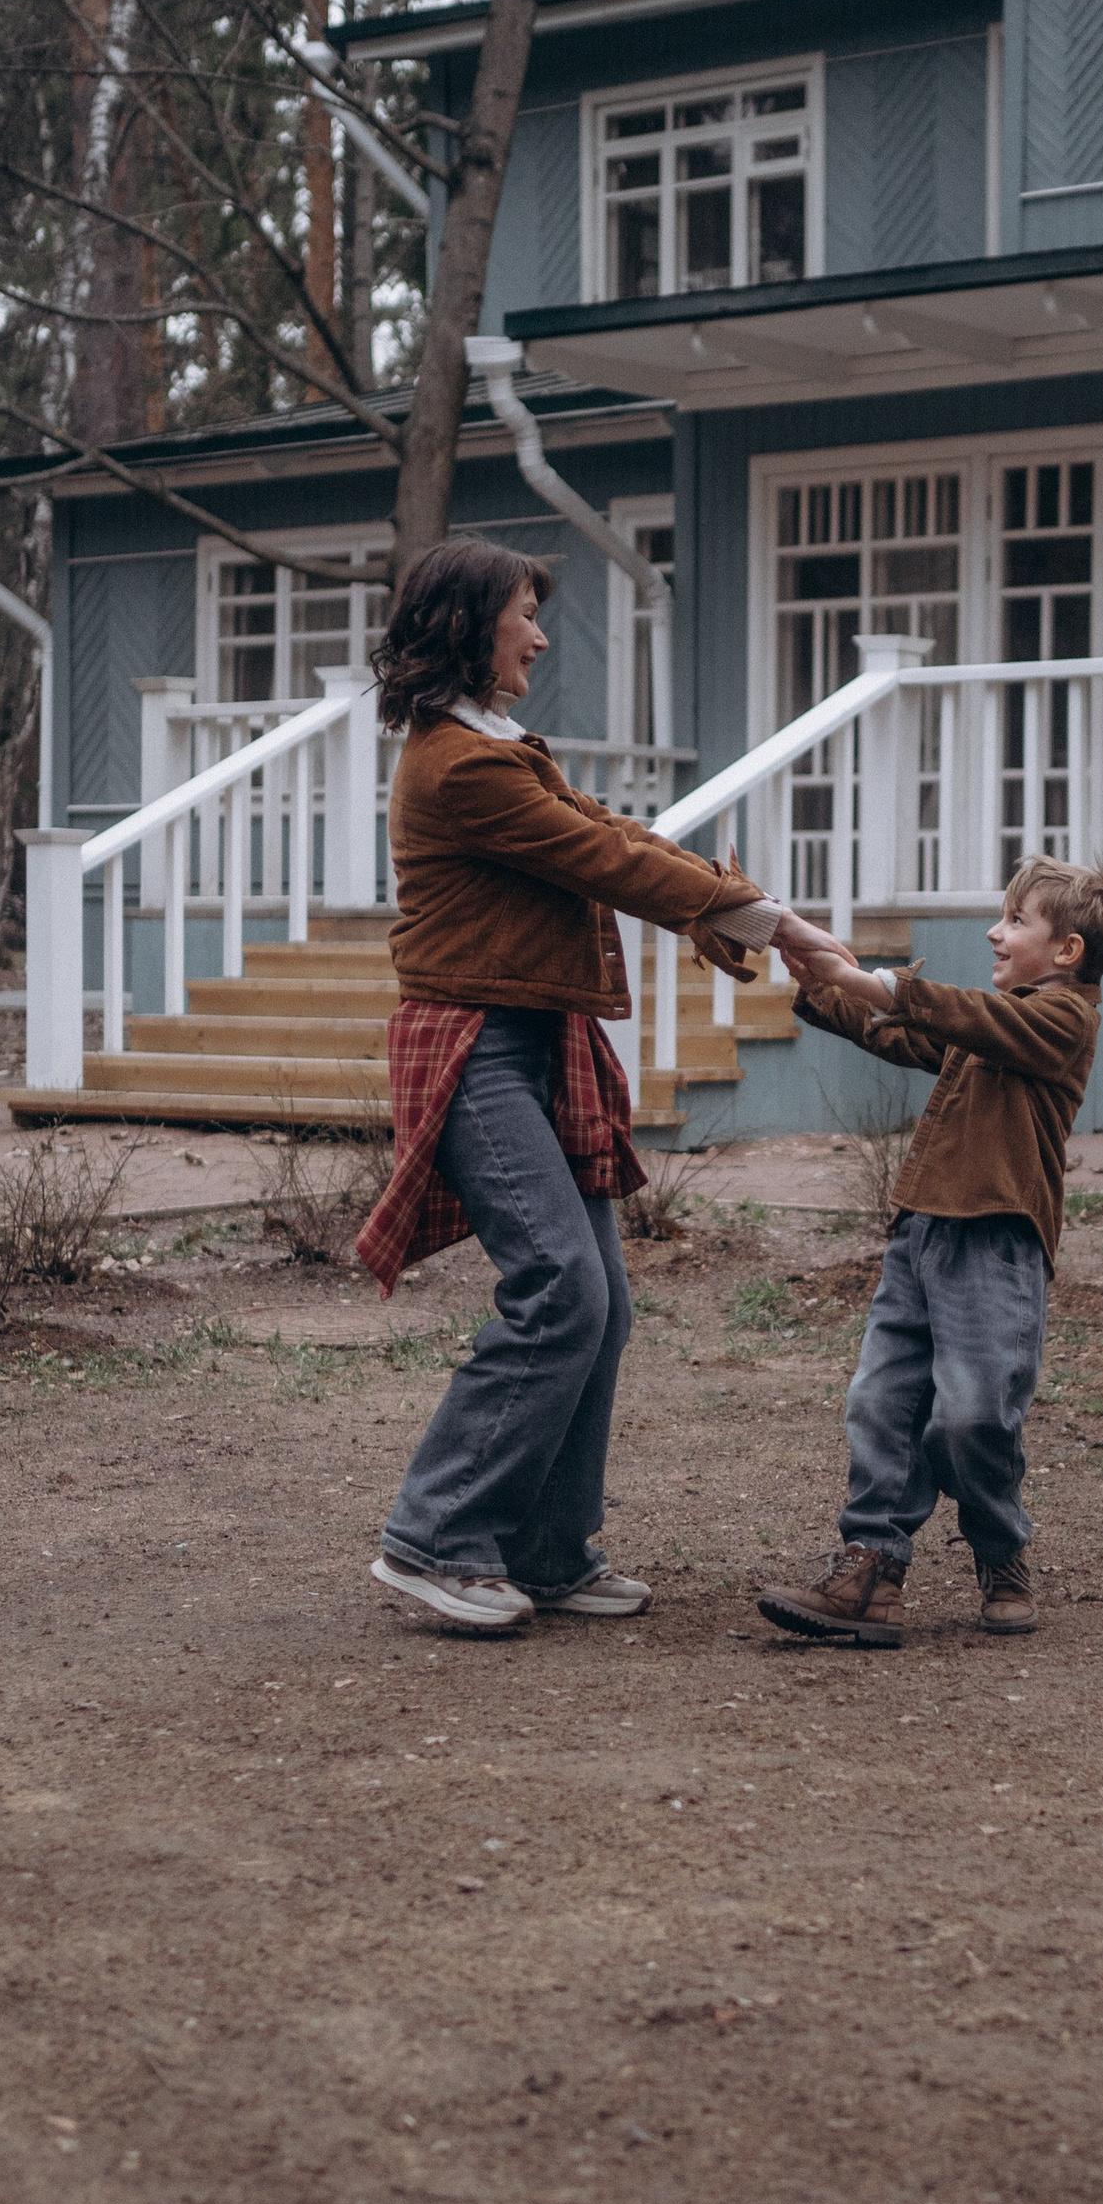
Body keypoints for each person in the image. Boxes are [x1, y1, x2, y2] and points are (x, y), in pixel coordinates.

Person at [356, 537, 829, 1637]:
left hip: (534, 1038)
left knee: (599, 1304)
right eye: (524, 612)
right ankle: (432, 1536)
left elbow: (613, 835)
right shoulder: (456, 766)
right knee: (562, 1287)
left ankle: (548, 1551)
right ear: (472, 629)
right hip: (476, 1048)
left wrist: (735, 907)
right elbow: (605, 862)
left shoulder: (498, 746)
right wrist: (778, 926)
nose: (539, 632)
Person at [757, 855, 1103, 1649]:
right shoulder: (989, 1023)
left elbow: (957, 1015)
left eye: (1016, 921)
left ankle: (1001, 1552)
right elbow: (907, 1033)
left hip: (996, 1245)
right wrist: (824, 983)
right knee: (880, 1403)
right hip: (921, 1234)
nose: (995, 933)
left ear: (1067, 951)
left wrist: (881, 983)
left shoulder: (1062, 1023)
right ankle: (871, 1569)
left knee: (971, 1418)